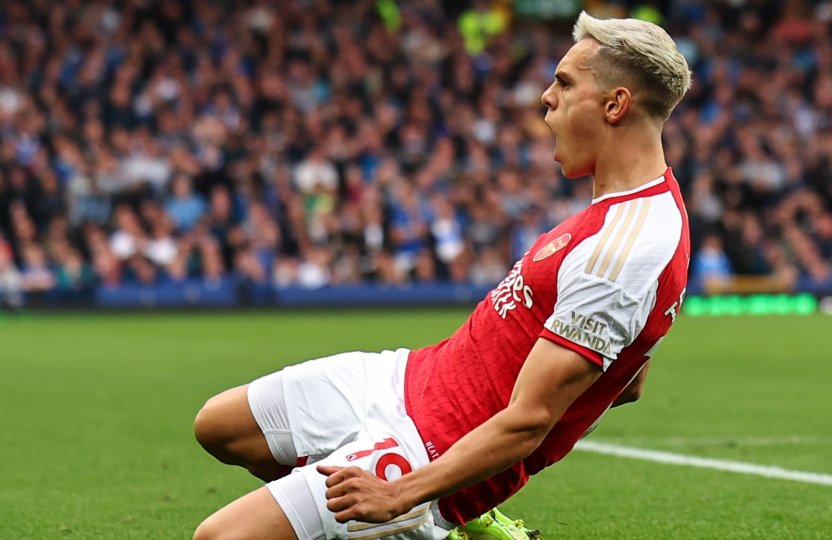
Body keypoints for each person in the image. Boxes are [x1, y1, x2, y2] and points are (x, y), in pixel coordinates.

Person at [191, 12, 692, 540]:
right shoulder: (626, 213)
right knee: (219, 426)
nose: (546, 97)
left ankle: (436, 521)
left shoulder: (627, 247)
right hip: (411, 377)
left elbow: (530, 419)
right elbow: (629, 381)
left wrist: (400, 493)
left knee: (219, 538)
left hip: (430, 445)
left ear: (615, 105)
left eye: (564, 83)